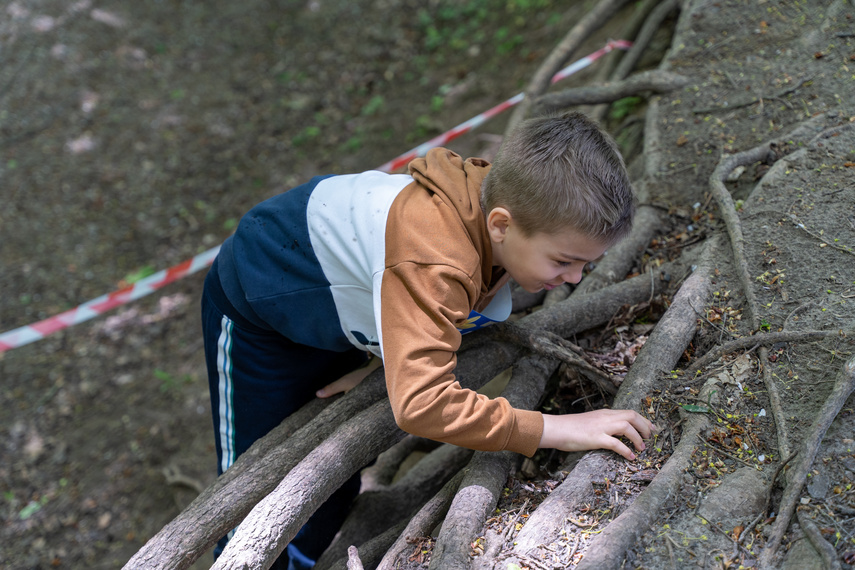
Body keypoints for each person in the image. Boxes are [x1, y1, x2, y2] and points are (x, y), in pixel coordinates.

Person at [201, 111, 655, 569]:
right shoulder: (435, 260)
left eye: (584, 266)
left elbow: (427, 303)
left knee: (334, 481)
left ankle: (301, 560)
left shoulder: (495, 212)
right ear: (500, 226)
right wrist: (553, 429)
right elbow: (422, 404)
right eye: (564, 262)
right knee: (255, 490)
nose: (572, 278)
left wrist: (387, 353)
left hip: (334, 308)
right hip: (257, 308)